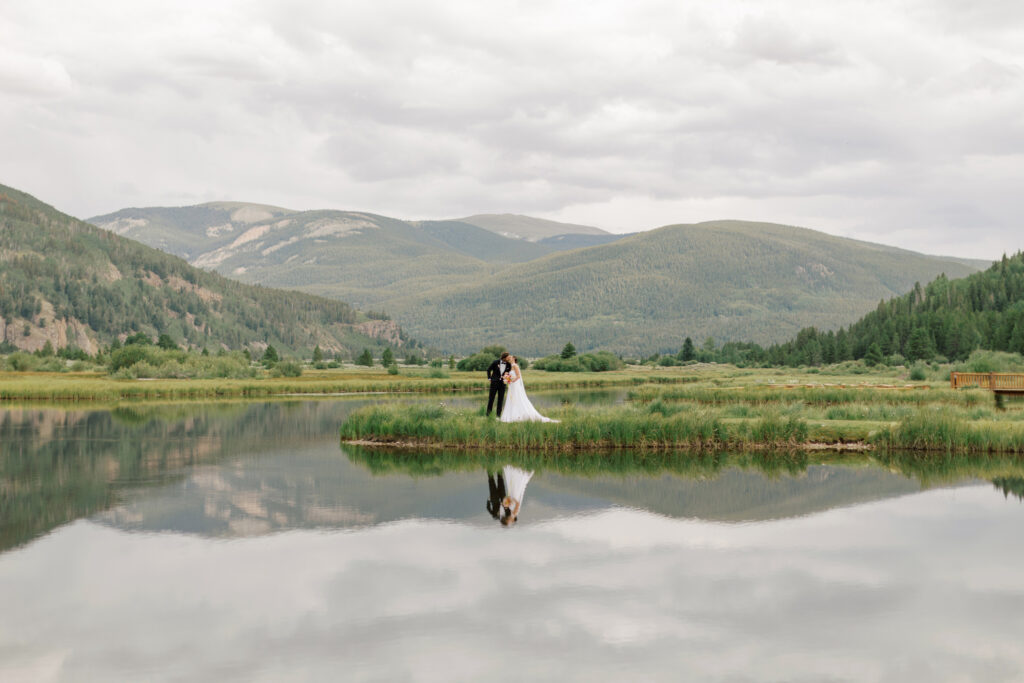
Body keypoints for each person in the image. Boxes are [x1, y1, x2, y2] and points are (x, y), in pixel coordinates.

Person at [500, 355, 559, 423]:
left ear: (513, 359)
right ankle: (510, 415)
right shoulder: (509, 366)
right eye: (508, 358)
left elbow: (518, 376)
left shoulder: (515, 366)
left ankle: (518, 415)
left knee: (517, 398)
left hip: (515, 384)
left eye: (510, 358)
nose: (509, 359)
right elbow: (508, 374)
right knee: (511, 398)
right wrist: (507, 378)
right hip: (511, 385)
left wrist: (512, 380)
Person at [486, 351, 512, 417]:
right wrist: (489, 378)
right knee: (491, 399)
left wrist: (507, 378)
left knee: (501, 400)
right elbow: (488, 370)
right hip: (494, 383)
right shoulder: (495, 362)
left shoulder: (509, 365)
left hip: (502, 384)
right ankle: (488, 415)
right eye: (508, 357)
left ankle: (498, 416)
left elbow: (509, 374)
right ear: (504, 357)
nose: (509, 358)